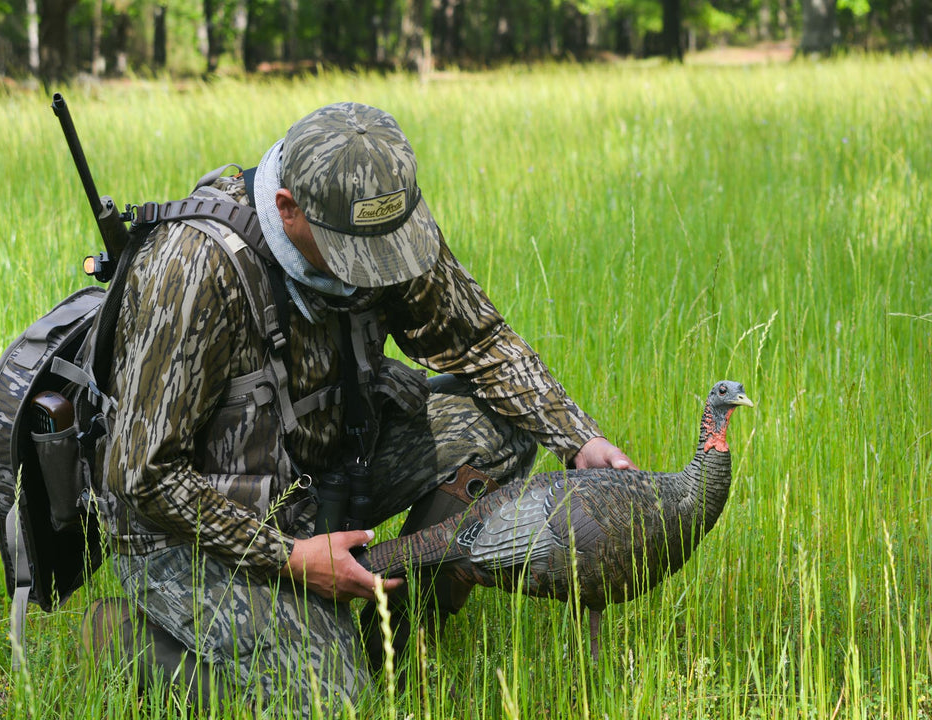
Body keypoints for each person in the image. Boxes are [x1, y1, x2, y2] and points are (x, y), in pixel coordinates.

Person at [83, 101, 635, 715]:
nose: (377, 271)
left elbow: (478, 342)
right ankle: (126, 640)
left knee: (499, 428)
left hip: (328, 473)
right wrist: (291, 560)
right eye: (355, 256)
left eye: (385, 251)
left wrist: (580, 440)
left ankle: (395, 630)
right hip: (190, 530)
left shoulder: (376, 223)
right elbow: (141, 477)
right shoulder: (192, 269)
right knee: (332, 702)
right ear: (289, 208)